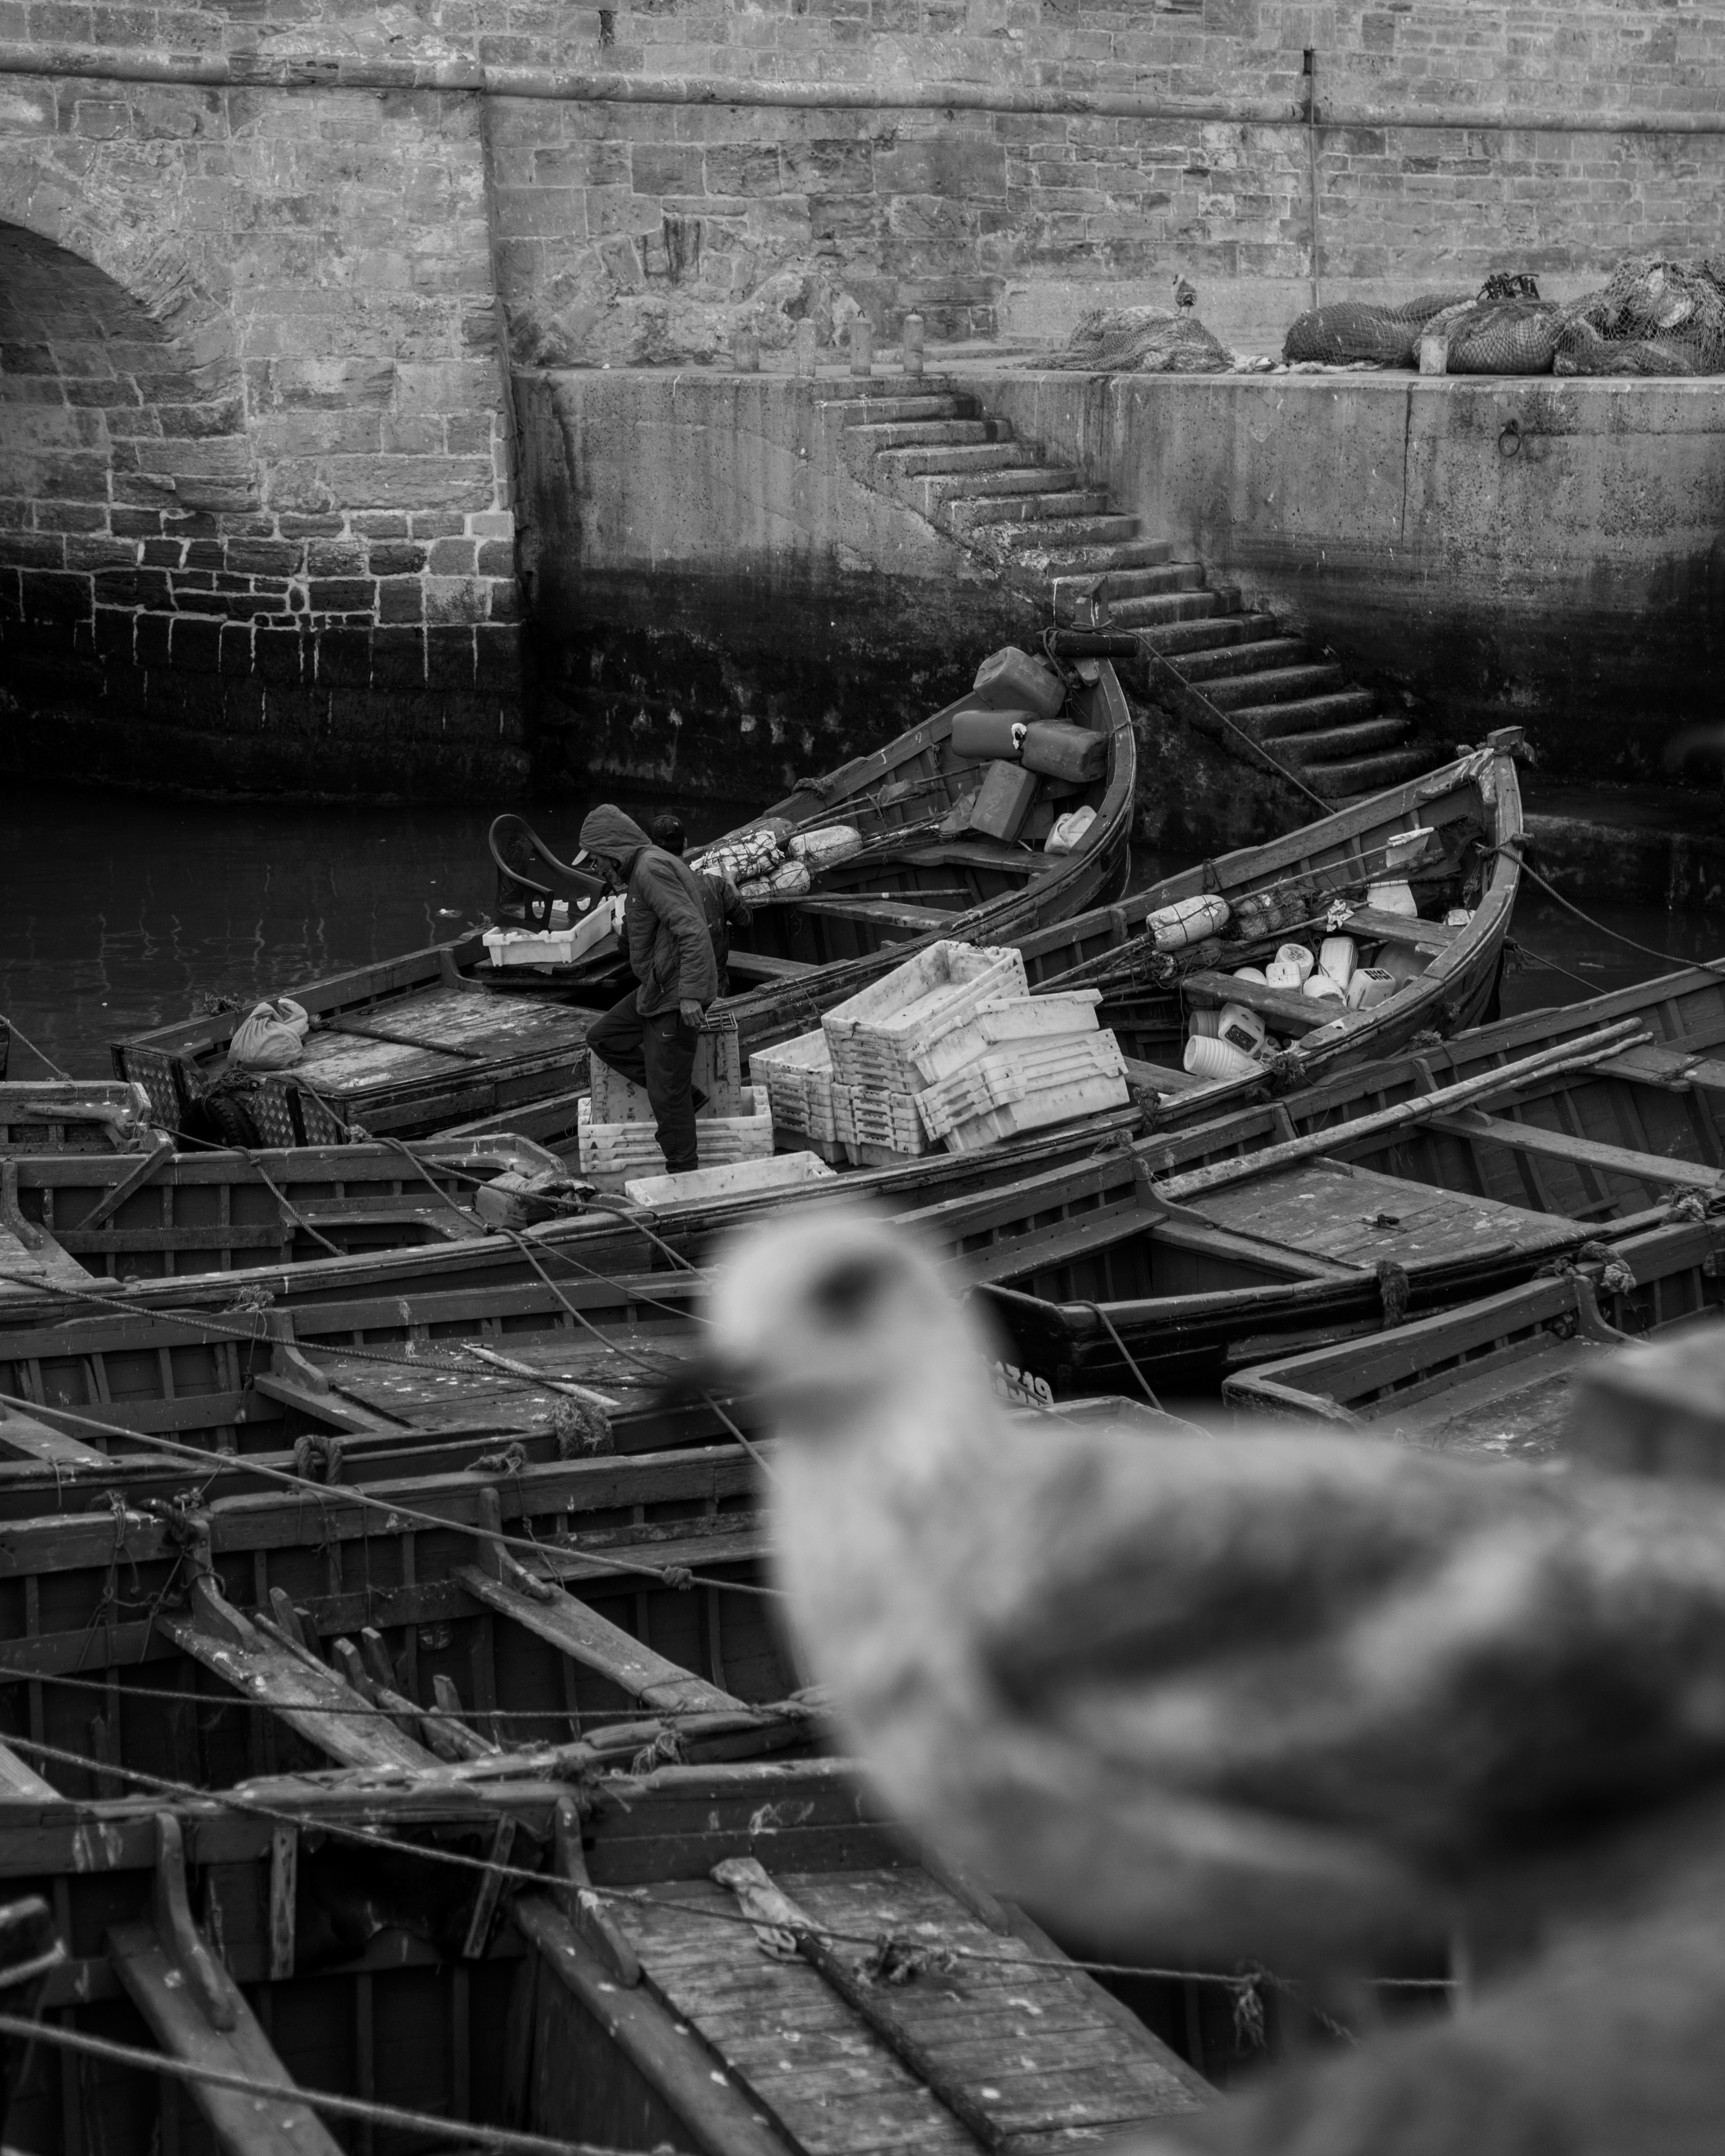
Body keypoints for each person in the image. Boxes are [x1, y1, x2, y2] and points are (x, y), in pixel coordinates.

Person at [578, 805, 718, 1176]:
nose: (598, 869)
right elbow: (654, 931)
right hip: (655, 988)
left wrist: (690, 994)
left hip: (673, 993)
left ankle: (683, 1173)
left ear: (612, 851)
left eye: (596, 861)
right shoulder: (641, 872)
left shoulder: (650, 869)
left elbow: (692, 931)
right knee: (603, 1037)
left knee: (664, 1095)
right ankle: (683, 1096)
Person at [650, 812, 752, 995]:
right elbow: (745, 920)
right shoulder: (714, 883)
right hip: (716, 988)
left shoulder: (648, 890)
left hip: (669, 994)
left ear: (652, 851)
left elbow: (630, 945)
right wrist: (730, 882)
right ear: (686, 844)